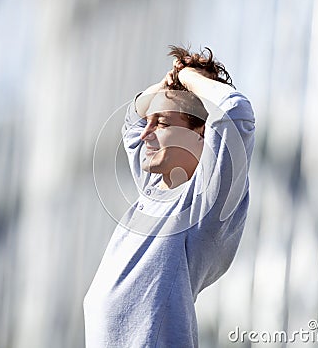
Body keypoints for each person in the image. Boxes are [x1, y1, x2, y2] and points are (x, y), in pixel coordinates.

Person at [83, 46, 255, 347]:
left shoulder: (208, 204)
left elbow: (235, 111)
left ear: (201, 132)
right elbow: (132, 122)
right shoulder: (154, 184)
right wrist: (168, 84)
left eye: (161, 123)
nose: (146, 133)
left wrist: (187, 77)